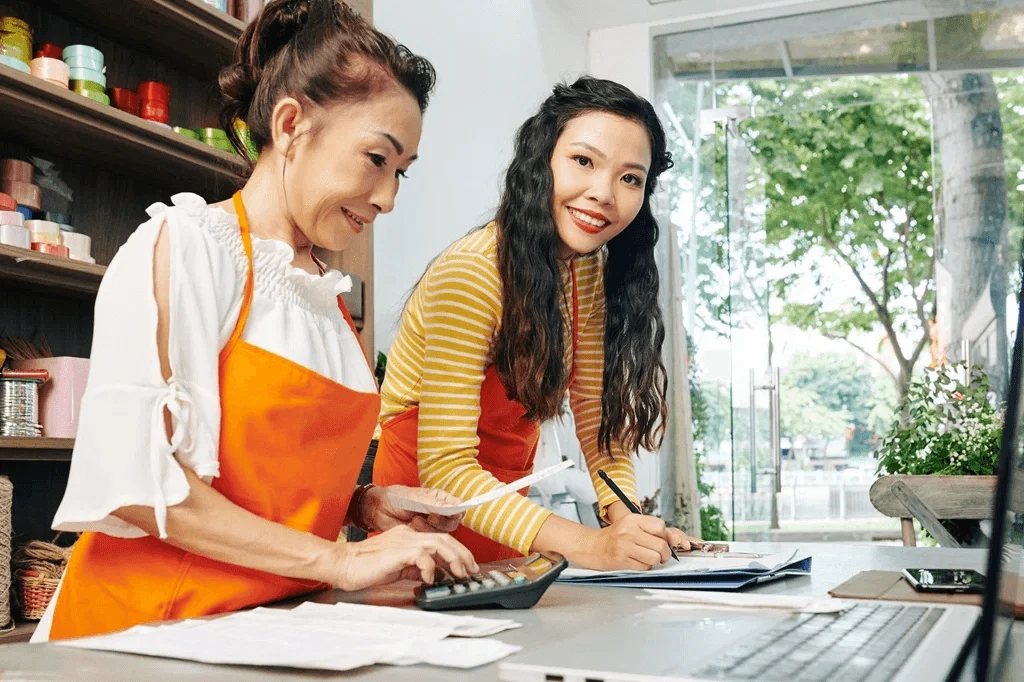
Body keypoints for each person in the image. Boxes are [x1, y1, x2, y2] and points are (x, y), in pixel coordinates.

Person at [37, 0, 476, 642]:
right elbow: (136, 481)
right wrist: (340, 558)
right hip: (143, 637)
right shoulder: (187, 246)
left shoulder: (324, 296)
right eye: (376, 160)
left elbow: (255, 477)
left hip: (256, 631)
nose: (387, 198)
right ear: (292, 124)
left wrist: (363, 506)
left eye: (401, 173)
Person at [372, 76, 698, 570]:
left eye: (630, 178)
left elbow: (594, 413)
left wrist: (626, 519)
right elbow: (446, 465)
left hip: (504, 512)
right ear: (539, 160)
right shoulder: (473, 273)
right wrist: (590, 545)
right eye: (584, 161)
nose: (604, 193)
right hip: (424, 517)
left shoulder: (585, 270)